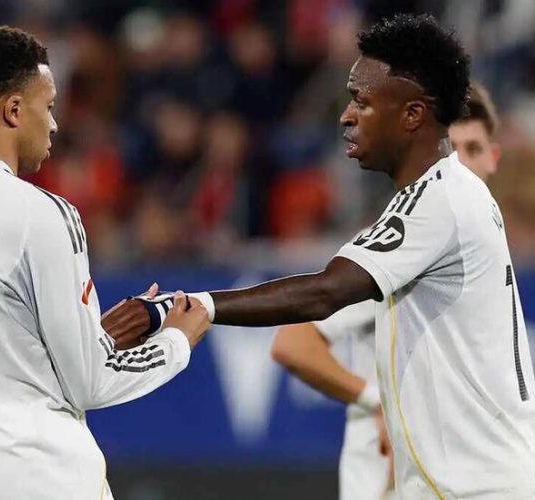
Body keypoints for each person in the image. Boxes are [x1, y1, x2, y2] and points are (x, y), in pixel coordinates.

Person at [105, 14, 535, 499]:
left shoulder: (438, 201)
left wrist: (186, 306)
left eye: (362, 101)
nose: (346, 116)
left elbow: (324, 292)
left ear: (412, 115)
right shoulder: (448, 194)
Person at [0, 26, 209, 500]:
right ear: (13, 110)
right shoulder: (39, 212)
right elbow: (90, 381)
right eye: (48, 107)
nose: (53, 124)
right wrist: (175, 341)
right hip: (36, 479)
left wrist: (94, 336)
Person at [269, 80, 504, 500]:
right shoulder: (397, 249)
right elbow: (293, 342)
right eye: (454, 150)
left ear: (493, 157)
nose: (463, 166)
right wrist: (378, 403)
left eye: (473, 150)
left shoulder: (488, 254)